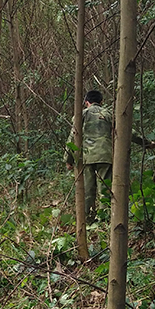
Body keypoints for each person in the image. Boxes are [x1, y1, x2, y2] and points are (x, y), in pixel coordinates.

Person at [65, 90, 114, 221]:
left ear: (86, 102)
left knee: (88, 190)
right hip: (105, 154)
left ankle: (88, 219)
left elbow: (72, 137)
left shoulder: (81, 115)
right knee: (105, 189)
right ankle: (105, 219)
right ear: (101, 102)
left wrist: (68, 159)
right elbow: (127, 131)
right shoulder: (108, 114)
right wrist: (146, 143)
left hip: (86, 157)